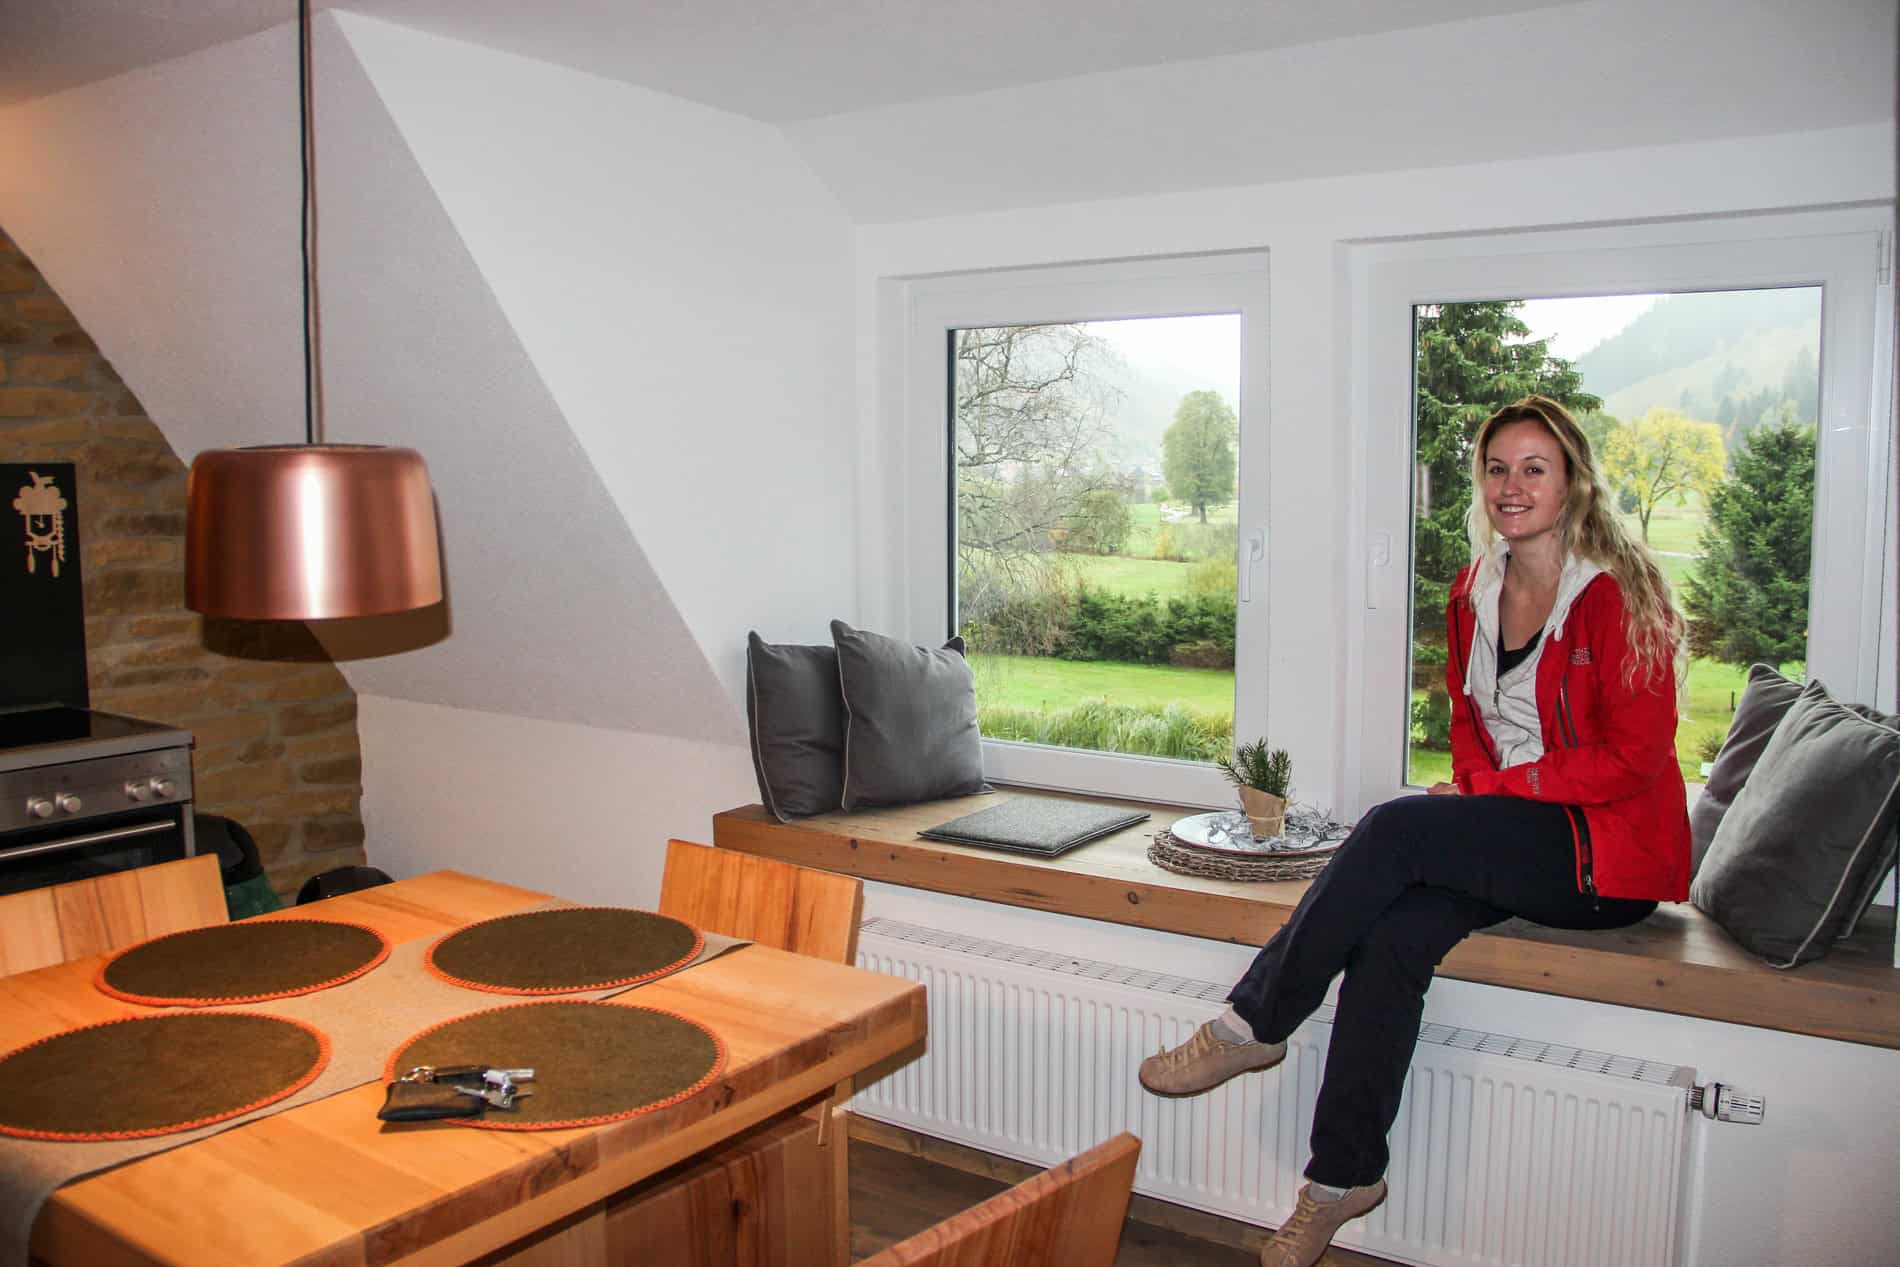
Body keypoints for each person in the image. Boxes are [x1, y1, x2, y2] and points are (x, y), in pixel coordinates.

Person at [1138, 395, 1690, 1267]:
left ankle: (1252, 1023)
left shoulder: (1619, 595)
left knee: (1395, 828)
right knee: (1393, 937)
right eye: (1497, 467)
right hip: (1515, 832)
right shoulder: (1474, 588)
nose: (1512, 486)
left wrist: (1492, 792)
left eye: (1533, 468)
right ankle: (1337, 1184)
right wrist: (1480, 791)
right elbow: (1469, 723)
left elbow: (1635, 757)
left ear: (1574, 480)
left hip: (1602, 857)